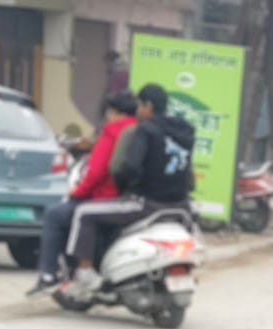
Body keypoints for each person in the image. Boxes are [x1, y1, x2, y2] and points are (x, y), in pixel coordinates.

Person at [63, 83, 195, 299]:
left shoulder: (146, 130)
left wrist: (129, 187)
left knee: (84, 213)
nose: (138, 112)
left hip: (147, 203)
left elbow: (130, 166)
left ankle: (85, 272)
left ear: (149, 106)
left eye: (140, 106)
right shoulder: (185, 131)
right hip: (180, 206)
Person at [27, 91, 138, 296]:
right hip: (131, 199)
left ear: (114, 113)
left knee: (54, 215)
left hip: (104, 199)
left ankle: (48, 276)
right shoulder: (140, 132)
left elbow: (96, 172)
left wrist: (77, 192)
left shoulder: (112, 133)